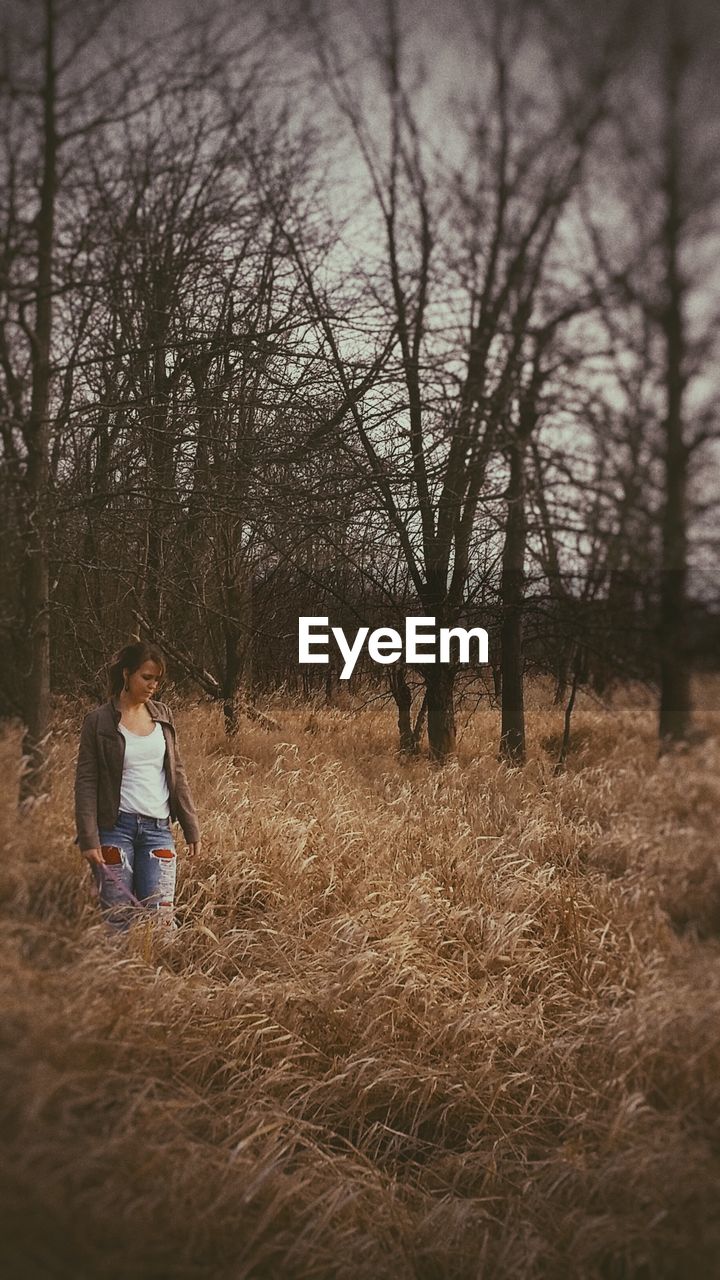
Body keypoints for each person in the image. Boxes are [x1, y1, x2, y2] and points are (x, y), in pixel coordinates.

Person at [74, 641, 201, 929]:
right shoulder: (98, 722)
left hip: (158, 832)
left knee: (161, 921)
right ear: (126, 674)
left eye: (157, 679)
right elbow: (85, 781)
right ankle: (119, 975)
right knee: (117, 920)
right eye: (146, 677)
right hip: (114, 830)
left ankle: (158, 973)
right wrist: (88, 837)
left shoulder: (163, 716)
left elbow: (176, 772)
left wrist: (191, 826)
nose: (153, 685)